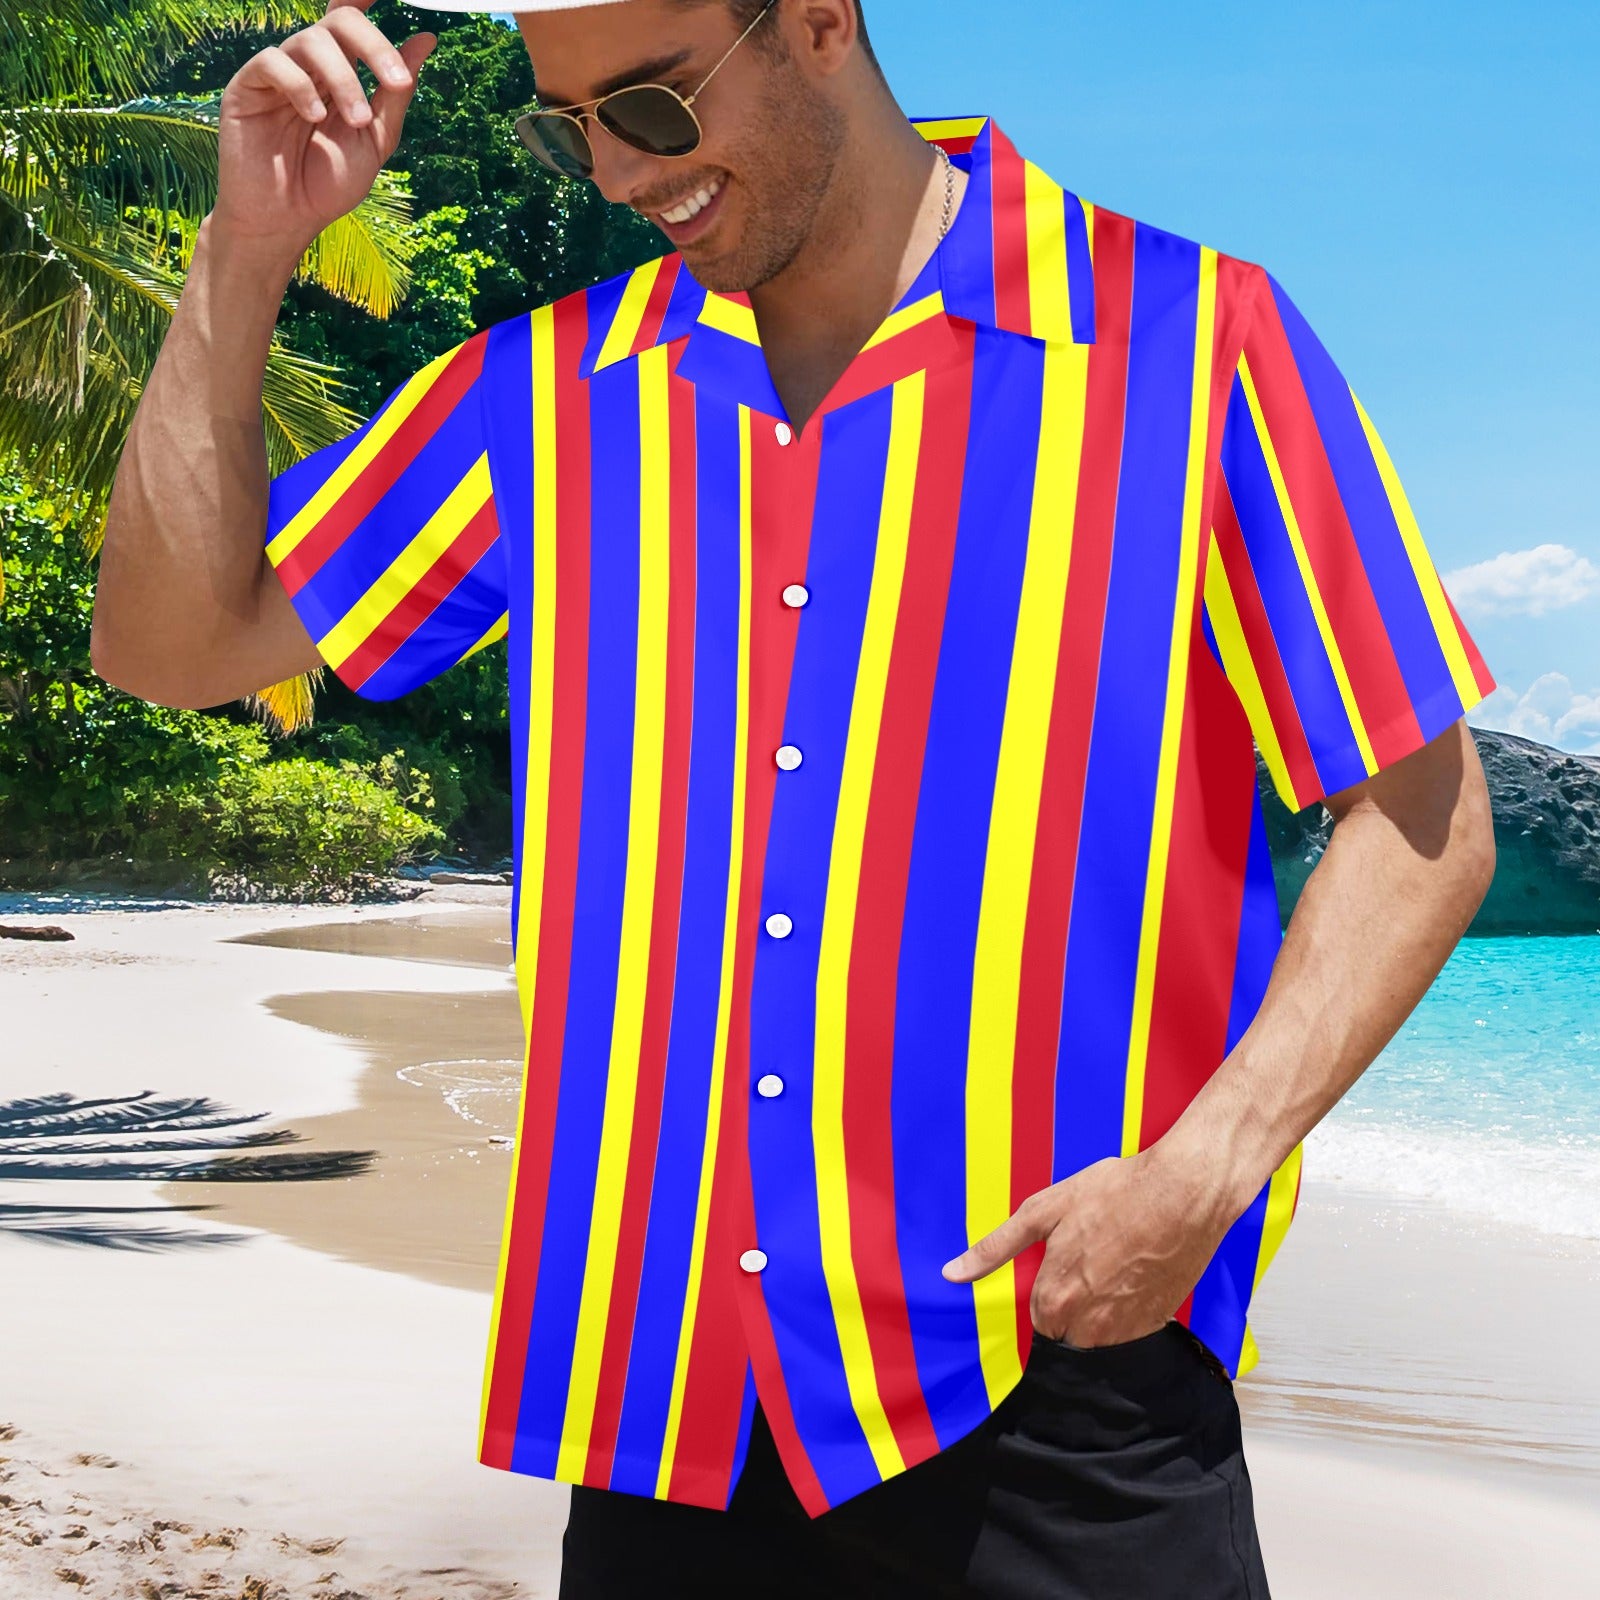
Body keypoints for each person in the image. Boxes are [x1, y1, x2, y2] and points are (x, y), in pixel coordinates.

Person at [92, 0, 1501, 1594]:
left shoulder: (1188, 340)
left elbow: (1426, 811)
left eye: (653, 106)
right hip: (665, 1412)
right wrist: (248, 247)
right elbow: (173, 647)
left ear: (819, 21)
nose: (620, 173)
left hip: (1057, 1376)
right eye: (568, 128)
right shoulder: (546, 394)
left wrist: (1205, 1172)